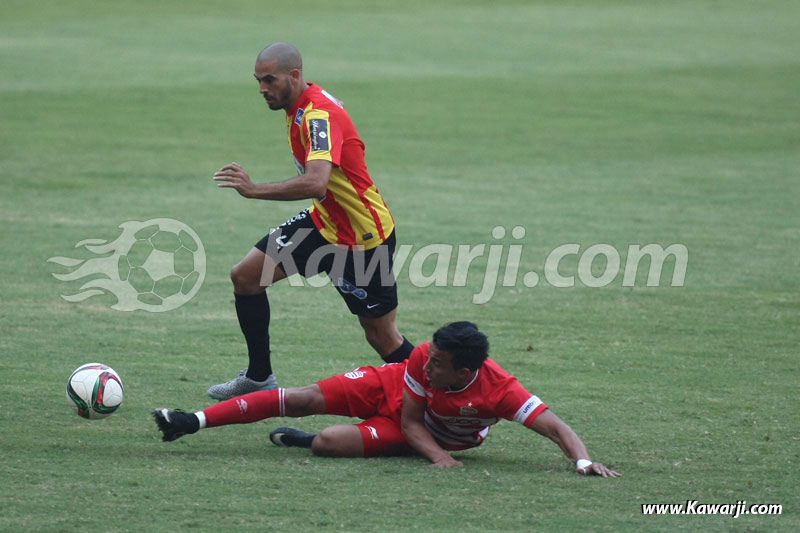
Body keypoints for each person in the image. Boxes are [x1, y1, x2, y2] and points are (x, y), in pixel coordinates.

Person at [208, 42, 414, 400]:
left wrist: (255, 190)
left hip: (361, 238)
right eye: (258, 81)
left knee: (381, 335)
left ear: (295, 75)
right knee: (246, 276)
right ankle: (259, 377)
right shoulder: (301, 104)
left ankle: (443, 399)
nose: (262, 89)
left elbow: (316, 181)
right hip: (325, 222)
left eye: (269, 80)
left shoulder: (317, 114)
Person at [153, 322, 621, 476]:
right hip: (392, 392)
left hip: (415, 430)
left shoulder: (499, 390)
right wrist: (440, 460)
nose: (426, 360)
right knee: (302, 396)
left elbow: (557, 427)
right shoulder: (418, 362)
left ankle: (302, 440)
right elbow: (415, 415)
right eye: (429, 354)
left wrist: (583, 463)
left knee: (327, 445)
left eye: (439, 361)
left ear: (465, 371)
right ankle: (191, 421)